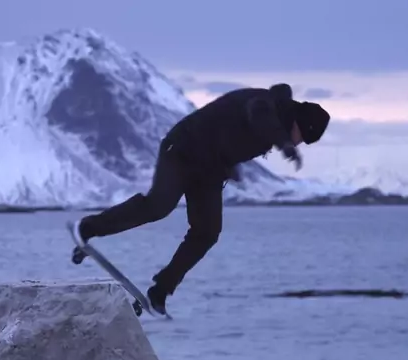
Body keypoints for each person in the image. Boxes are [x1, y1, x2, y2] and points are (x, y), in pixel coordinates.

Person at [69, 83, 330, 315]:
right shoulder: (266, 104)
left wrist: (231, 166)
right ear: (297, 124)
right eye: (302, 139)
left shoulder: (276, 119)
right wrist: (284, 143)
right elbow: (258, 115)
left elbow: (231, 134)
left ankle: (160, 291)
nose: (299, 144)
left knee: (207, 231)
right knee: (159, 206)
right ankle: (89, 227)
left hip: (210, 168)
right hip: (182, 150)